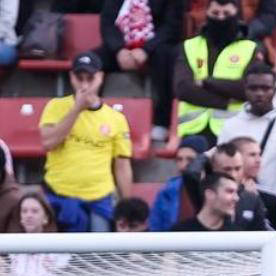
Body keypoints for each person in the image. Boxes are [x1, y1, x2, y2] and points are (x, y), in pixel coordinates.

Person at [40, 51, 133, 232]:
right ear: (71, 77)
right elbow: (48, 142)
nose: (84, 85)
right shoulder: (55, 106)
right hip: (60, 193)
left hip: (100, 196)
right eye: (79, 78)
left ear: (100, 77)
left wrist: (126, 206)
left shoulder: (116, 118)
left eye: (90, 78)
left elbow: (122, 166)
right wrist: (77, 109)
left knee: (100, 247)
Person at [174, 0, 260, 143]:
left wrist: (206, 82)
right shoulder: (189, 46)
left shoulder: (250, 48)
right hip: (192, 131)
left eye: (226, 13)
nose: (221, 18)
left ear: (237, 15)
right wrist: (225, 101)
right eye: (215, 13)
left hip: (233, 132)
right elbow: (183, 89)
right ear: (206, 14)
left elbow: (247, 89)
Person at [220, 63, 276, 194]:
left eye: (265, 88)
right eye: (253, 88)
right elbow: (222, 168)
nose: (259, 93)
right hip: (240, 199)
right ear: (245, 89)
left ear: (275, 90)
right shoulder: (230, 126)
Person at [98, 0, 182, 139]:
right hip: (120, 47)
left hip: (155, 46)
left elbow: (171, 27)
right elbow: (107, 23)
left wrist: (146, 50)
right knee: (90, 60)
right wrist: (119, 49)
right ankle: (89, 113)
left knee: (167, 58)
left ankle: (162, 122)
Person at [149, 135, 209, 231]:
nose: (183, 165)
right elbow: (155, 228)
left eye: (190, 160)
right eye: (179, 159)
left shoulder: (214, 191)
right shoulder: (167, 191)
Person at [172, 170, 239, 233]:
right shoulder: (181, 232)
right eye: (230, 192)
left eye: (236, 193)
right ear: (209, 194)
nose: (236, 198)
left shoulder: (236, 234)